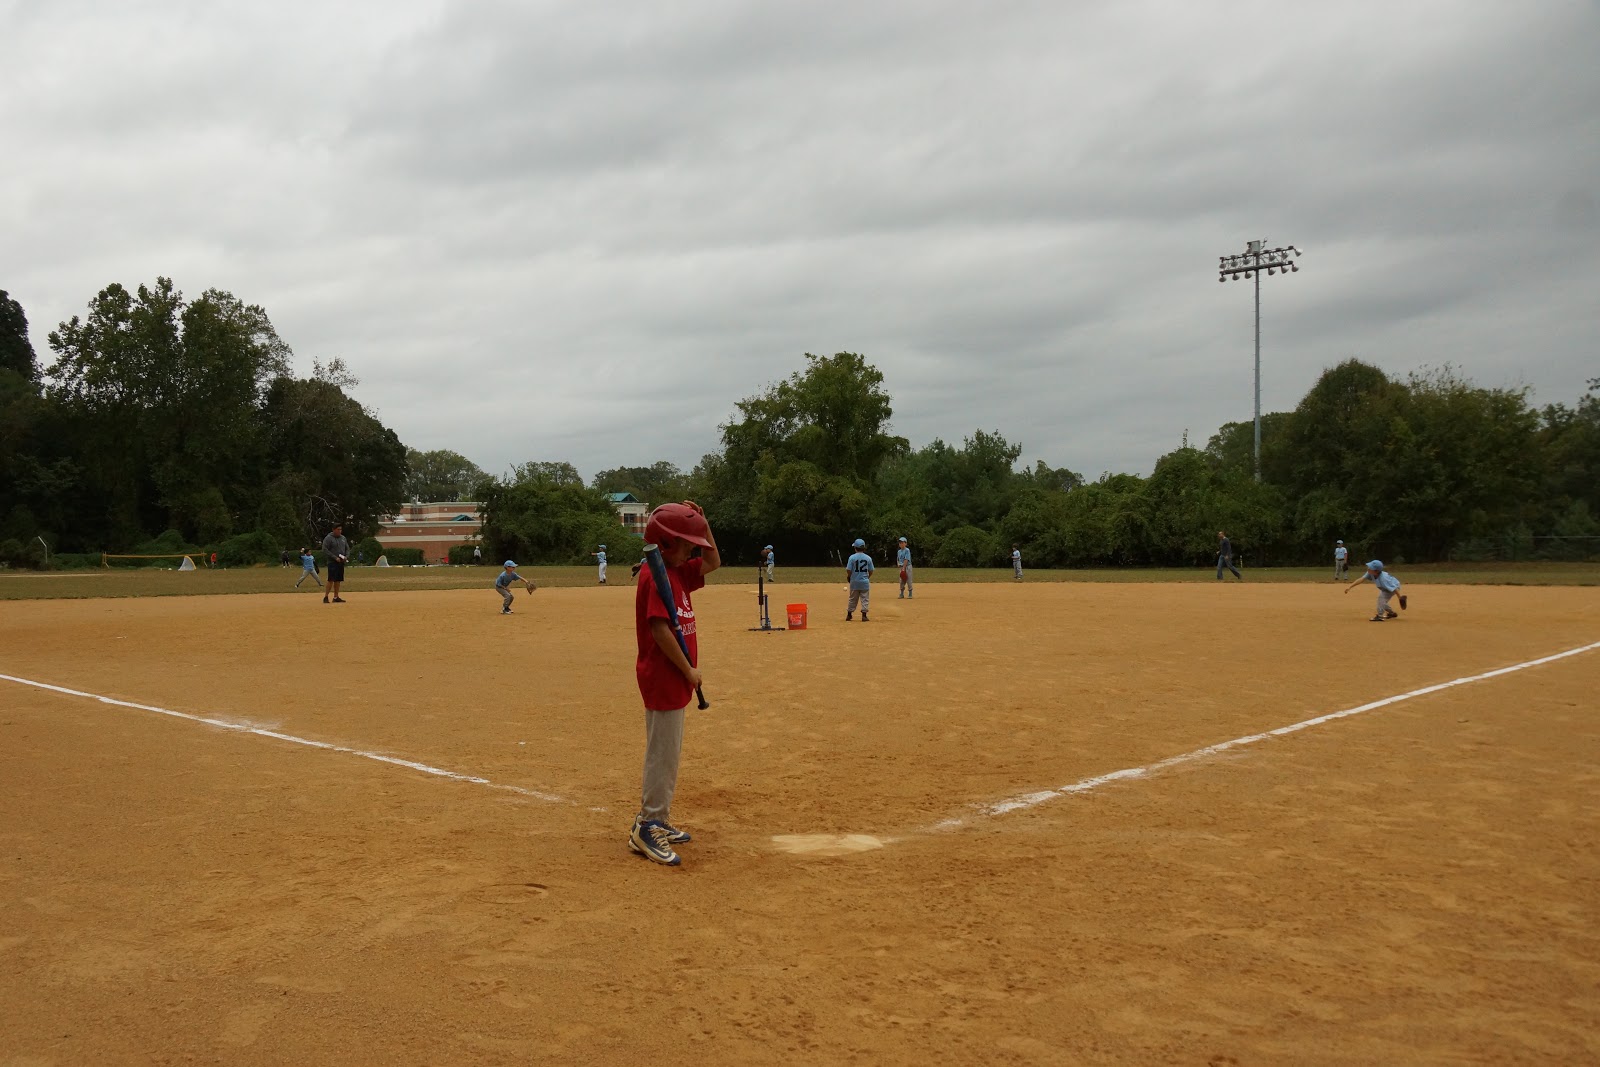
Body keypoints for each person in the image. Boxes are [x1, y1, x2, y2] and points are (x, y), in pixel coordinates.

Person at [629, 501, 721, 867]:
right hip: (665, 676)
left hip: (674, 678)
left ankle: (657, 818)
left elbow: (714, 562)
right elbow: (660, 629)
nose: (692, 550)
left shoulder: (678, 571)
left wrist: (704, 524)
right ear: (665, 544)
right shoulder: (656, 576)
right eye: (686, 543)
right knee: (663, 754)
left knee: (669, 752)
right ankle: (648, 825)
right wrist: (689, 671)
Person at [845, 537, 875, 621]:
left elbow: (848, 569)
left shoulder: (852, 557)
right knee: (865, 599)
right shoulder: (868, 558)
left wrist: (849, 576)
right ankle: (864, 615)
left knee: (852, 599)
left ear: (855, 548)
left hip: (854, 582)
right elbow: (871, 570)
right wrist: (867, 577)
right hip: (864, 582)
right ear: (864, 548)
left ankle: (849, 614)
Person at [321, 523, 350, 603]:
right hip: (332, 562)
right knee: (331, 579)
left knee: (338, 580)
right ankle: (326, 597)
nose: (340, 531)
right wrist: (334, 557)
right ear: (333, 530)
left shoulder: (343, 538)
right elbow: (325, 549)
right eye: (338, 529)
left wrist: (346, 556)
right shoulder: (328, 538)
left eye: (341, 529)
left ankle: (336, 597)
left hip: (341, 562)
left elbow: (347, 548)